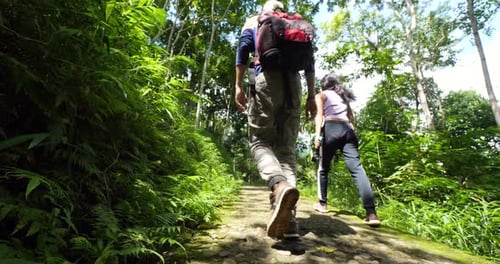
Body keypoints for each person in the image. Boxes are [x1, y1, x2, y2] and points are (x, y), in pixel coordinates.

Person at [234, 0, 317, 239]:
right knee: (287, 150)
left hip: (266, 80)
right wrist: (311, 96)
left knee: (259, 141)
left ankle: (279, 185)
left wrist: (238, 86)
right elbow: (310, 63)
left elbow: (242, 52)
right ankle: (290, 221)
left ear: (265, 9)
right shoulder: (296, 23)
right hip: (294, 84)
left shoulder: (255, 21)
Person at [312, 72, 380, 227]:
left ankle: (322, 204)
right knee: (357, 169)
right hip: (347, 131)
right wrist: (351, 134)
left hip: (331, 128)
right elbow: (351, 118)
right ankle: (371, 213)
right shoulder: (343, 97)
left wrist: (317, 137)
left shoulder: (321, 95)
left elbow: (319, 116)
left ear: (324, 84)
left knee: (323, 168)